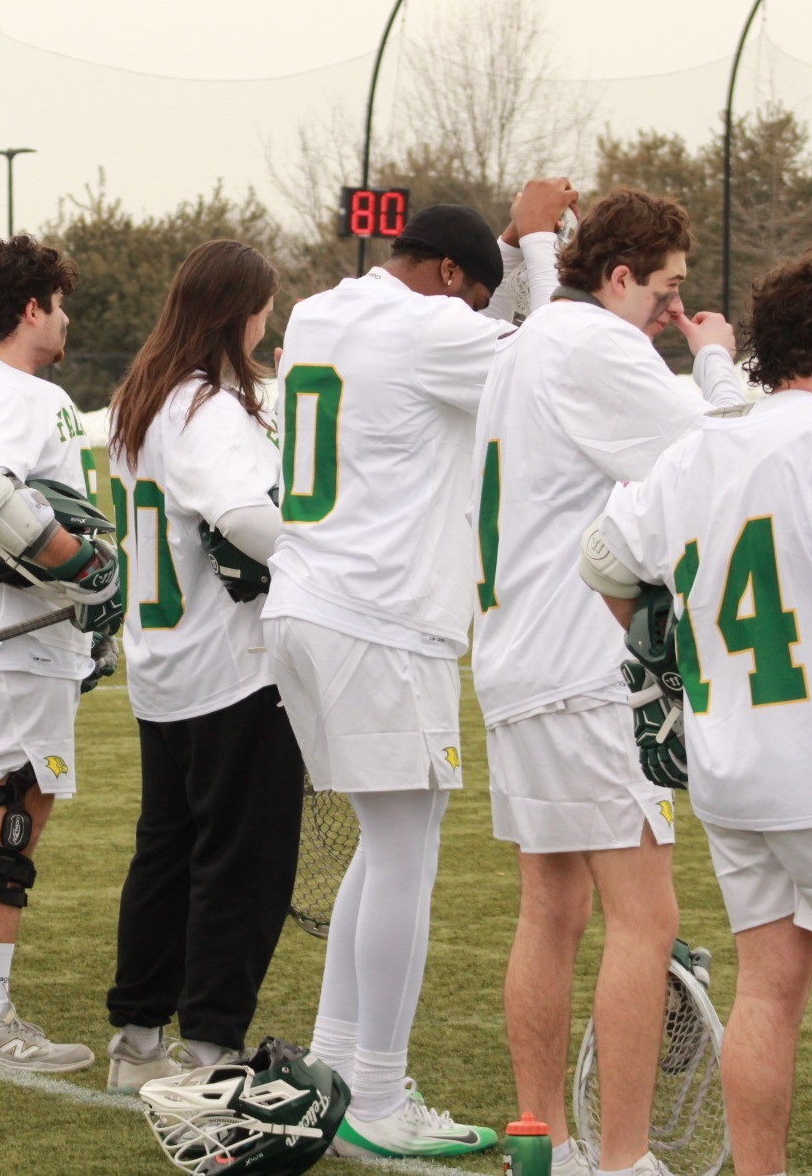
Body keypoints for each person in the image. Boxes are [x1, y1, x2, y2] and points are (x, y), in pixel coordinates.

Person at [264, 185, 572, 1159]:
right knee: (405, 849)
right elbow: (558, 365)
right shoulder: (430, 325)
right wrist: (537, 243)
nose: (479, 316)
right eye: (477, 295)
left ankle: (334, 1065)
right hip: (379, 615)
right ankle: (379, 1095)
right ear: (448, 275)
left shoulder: (320, 311)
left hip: (307, 599)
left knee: (389, 836)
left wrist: (508, 260)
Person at [585, 249, 812, 1176]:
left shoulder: (703, 444)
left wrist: (672, 666)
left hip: (732, 766)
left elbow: (606, 559)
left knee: (771, 987)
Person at [474, 188, 746, 1176]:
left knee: (551, 907)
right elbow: (720, 459)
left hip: (515, 652)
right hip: (582, 663)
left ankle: (538, 1137)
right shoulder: (591, 343)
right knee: (647, 917)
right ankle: (622, 1159)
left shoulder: (528, 343)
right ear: (620, 276)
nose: (670, 313)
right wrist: (710, 355)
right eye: (665, 291)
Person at [102, 240, 304, 1090]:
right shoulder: (208, 409)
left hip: (164, 664)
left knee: (168, 853)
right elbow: (243, 516)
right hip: (232, 665)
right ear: (238, 311)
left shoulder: (141, 398)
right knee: (242, 865)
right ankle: (210, 1046)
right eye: (262, 304)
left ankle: (138, 1038)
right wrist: (320, 554)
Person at [0, 234, 121, 1073]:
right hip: (6, 634)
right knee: (8, 814)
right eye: (60, 302)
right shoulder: (9, 387)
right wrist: (82, 571)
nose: (67, 318)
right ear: (32, 307)